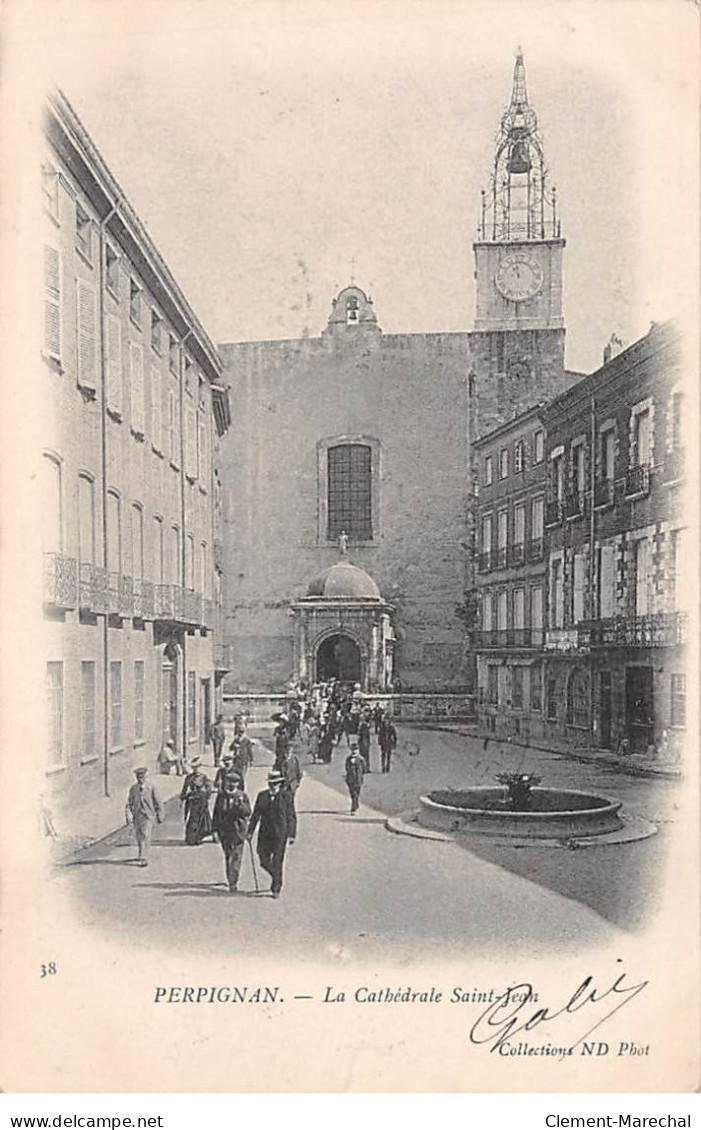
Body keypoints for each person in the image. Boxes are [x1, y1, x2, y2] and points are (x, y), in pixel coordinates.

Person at [247, 770, 291, 899]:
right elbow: (255, 815)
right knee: (263, 860)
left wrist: (291, 833)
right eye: (271, 783)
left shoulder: (286, 797)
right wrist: (250, 831)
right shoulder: (262, 796)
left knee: (277, 861)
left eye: (275, 783)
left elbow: (291, 816)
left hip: (280, 835)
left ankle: (276, 888)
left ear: (279, 784)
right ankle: (277, 876)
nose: (273, 786)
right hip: (265, 834)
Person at [212, 772, 251, 892]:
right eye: (229, 782)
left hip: (238, 831)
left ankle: (233, 882)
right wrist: (214, 831)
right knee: (228, 856)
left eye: (234, 782)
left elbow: (248, 812)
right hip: (225, 832)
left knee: (236, 856)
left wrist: (240, 805)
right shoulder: (221, 796)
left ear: (238, 784)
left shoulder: (242, 796)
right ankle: (231, 878)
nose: (232, 784)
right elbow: (216, 814)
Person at [125, 767, 164, 866]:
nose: (140, 779)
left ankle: (144, 857)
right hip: (137, 816)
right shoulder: (133, 789)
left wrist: (160, 815)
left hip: (148, 816)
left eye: (142, 777)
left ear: (146, 777)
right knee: (139, 836)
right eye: (138, 777)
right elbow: (129, 803)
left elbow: (158, 802)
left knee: (146, 836)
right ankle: (141, 853)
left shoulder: (151, 788)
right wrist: (128, 815)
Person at [179, 757, 213, 844]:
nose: (196, 770)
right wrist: (182, 798)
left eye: (198, 767)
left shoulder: (204, 777)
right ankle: (192, 838)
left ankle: (199, 837)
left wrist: (207, 795)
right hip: (193, 801)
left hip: (202, 800)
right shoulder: (189, 777)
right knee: (193, 819)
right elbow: (184, 789)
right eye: (194, 768)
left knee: (203, 819)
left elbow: (209, 788)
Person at [275, 742, 303, 844]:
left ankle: (291, 834)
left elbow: (299, 773)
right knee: (281, 809)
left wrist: (296, 784)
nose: (287, 754)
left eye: (289, 752)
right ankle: (282, 831)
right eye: (286, 752)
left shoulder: (295, 760)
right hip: (282, 788)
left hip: (291, 788)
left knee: (290, 810)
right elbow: (275, 771)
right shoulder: (279, 760)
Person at [345, 741, 366, 815]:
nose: (354, 751)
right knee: (352, 794)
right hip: (350, 779)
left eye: (356, 750)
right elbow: (346, 768)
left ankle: (354, 807)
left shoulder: (361, 760)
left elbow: (364, 769)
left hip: (358, 779)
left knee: (356, 793)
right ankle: (354, 806)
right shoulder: (348, 759)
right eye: (353, 750)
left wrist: (360, 775)